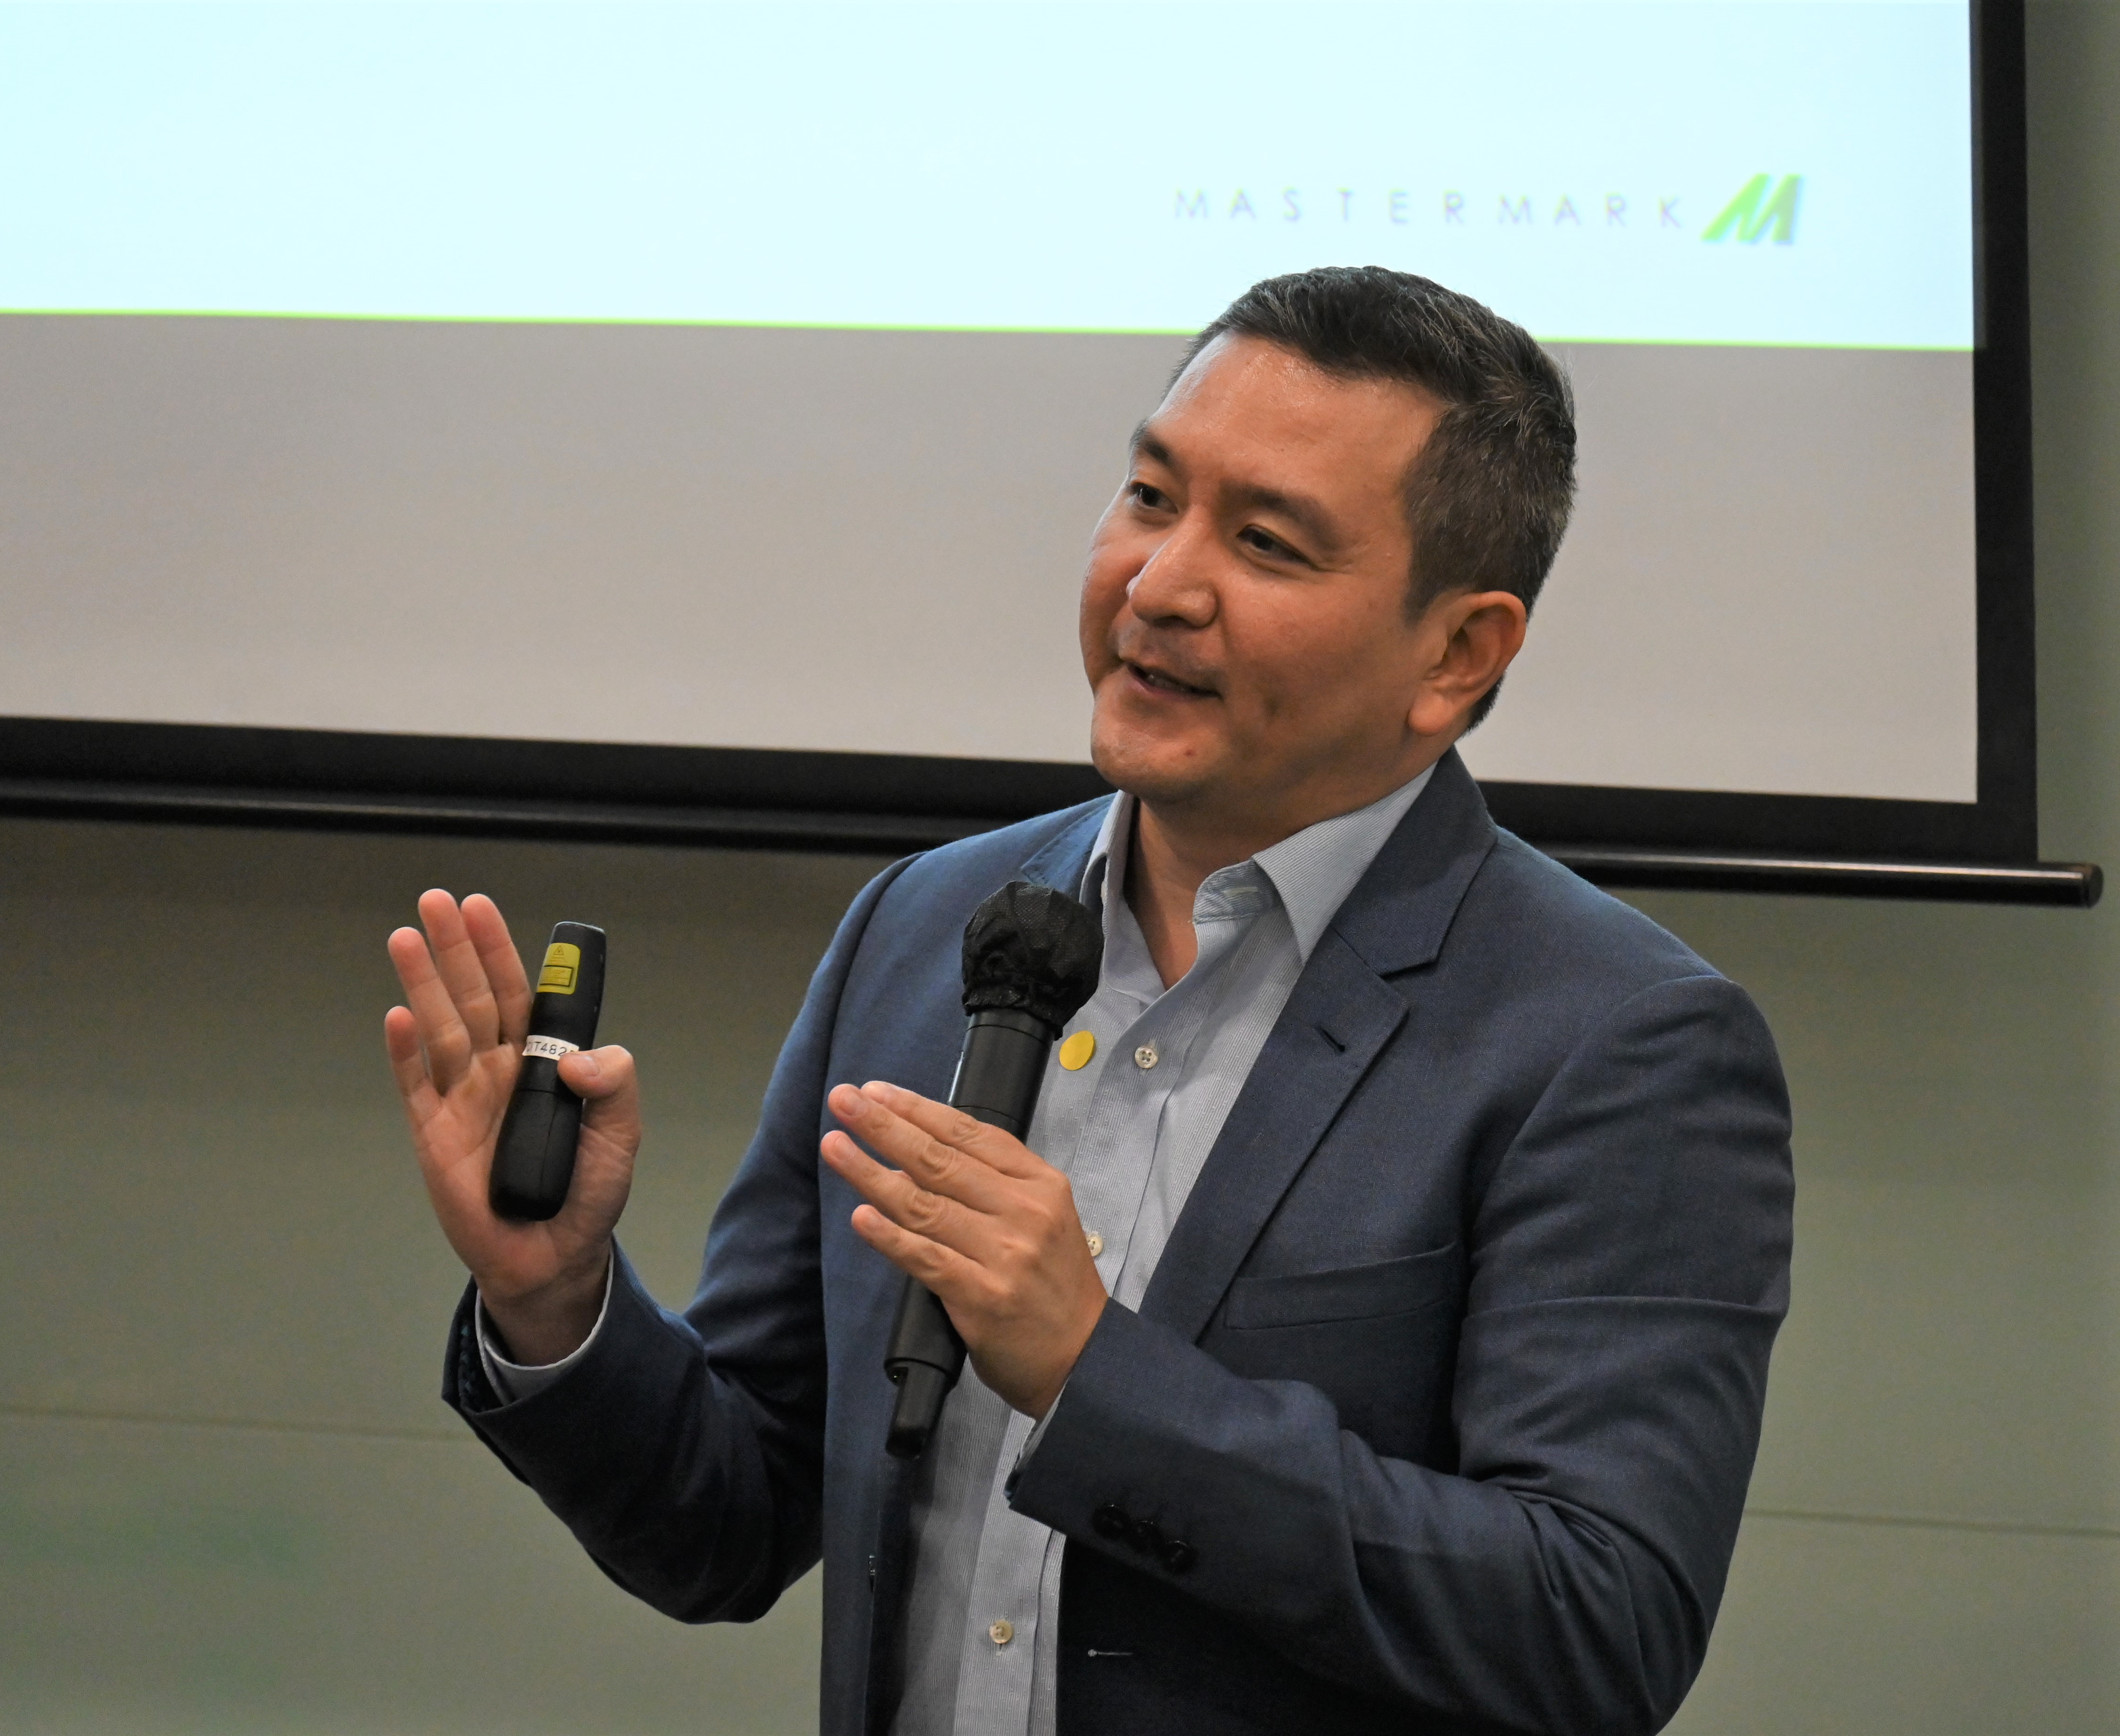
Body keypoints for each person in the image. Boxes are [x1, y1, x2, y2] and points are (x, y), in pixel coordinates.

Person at [384, 266, 1793, 1736]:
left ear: (1457, 654)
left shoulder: (1616, 1041)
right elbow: (728, 1522)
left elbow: (1595, 1625)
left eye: (1266, 543)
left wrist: (1091, 1372)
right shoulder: (925, 928)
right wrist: (555, 1299)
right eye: (1149, 496)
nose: (1158, 584)